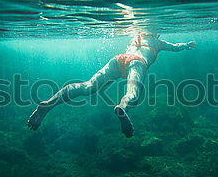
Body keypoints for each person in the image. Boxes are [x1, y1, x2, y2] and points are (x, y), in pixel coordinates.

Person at [27, 32, 197, 138]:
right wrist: (187, 45)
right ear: (156, 34)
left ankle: (48, 104)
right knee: (133, 93)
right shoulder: (158, 42)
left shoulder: (135, 36)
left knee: (88, 86)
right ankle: (122, 107)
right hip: (137, 63)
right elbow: (176, 47)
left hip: (118, 59)